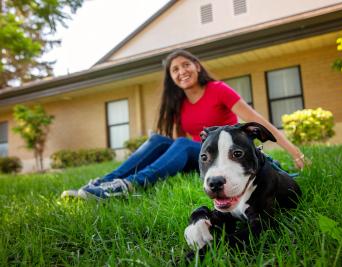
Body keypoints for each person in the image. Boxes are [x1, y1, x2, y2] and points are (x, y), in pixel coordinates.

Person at [61, 49, 306, 200]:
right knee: (159, 140)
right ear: (172, 78)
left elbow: (258, 121)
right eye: (175, 70)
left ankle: (128, 186)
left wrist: (294, 152)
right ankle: (103, 182)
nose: (181, 71)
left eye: (186, 65)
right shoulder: (178, 103)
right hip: (201, 162)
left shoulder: (218, 90)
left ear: (197, 67)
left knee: (182, 143)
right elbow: (175, 150)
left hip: (224, 160)